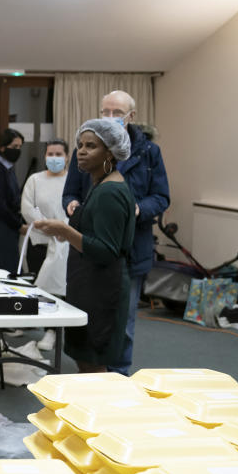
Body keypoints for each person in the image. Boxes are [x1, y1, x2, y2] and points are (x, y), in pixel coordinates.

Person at [62, 90, 170, 375]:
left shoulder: (148, 152)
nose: (109, 117)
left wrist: (137, 210)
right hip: (91, 252)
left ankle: (117, 382)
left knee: (123, 323)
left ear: (131, 117)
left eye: (116, 113)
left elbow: (161, 197)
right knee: (89, 322)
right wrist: (72, 205)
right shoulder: (85, 150)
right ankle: (95, 378)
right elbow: (72, 191)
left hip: (130, 251)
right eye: (104, 112)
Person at [35, 119, 136, 373]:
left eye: (91, 146)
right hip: (89, 285)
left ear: (110, 152)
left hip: (102, 291)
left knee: (94, 367)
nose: (81, 151)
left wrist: (66, 230)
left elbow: (105, 250)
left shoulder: (110, 192)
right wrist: (66, 233)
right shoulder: (98, 185)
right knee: (85, 363)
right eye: (80, 145)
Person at [21, 139, 70, 351]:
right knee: (42, 287)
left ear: (67, 157)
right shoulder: (35, 179)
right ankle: (46, 327)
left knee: (62, 287)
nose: (54, 158)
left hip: (67, 241)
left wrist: (62, 229)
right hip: (40, 239)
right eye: (50, 154)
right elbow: (27, 207)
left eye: (59, 154)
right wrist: (47, 226)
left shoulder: (73, 181)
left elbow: (78, 207)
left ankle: (57, 330)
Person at [0, 128, 27, 272]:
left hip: (8, 224)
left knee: (10, 265)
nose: (17, 150)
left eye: (20, 147)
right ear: (2, 147)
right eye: (14, 147)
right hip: (1, 224)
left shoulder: (8, 168)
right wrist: (18, 225)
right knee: (8, 268)